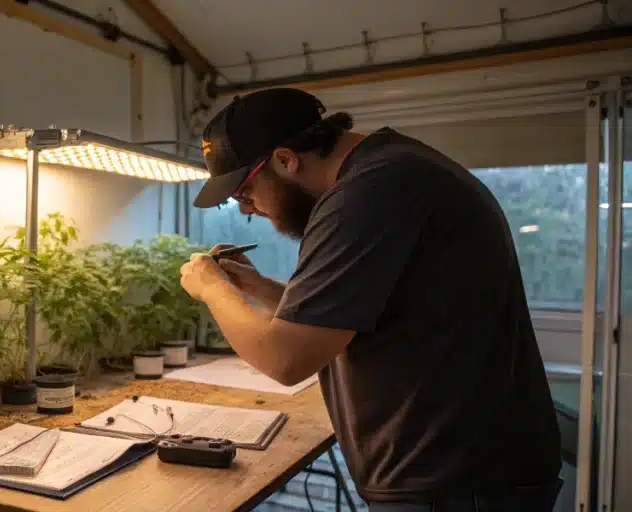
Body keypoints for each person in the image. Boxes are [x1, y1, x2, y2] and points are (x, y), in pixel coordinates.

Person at [179, 88, 562, 511]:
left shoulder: (367, 193)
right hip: (462, 476)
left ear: (286, 160)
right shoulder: (394, 171)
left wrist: (209, 287)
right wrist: (257, 287)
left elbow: (285, 359)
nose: (247, 209)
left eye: (244, 193)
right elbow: (352, 313)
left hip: (455, 486)